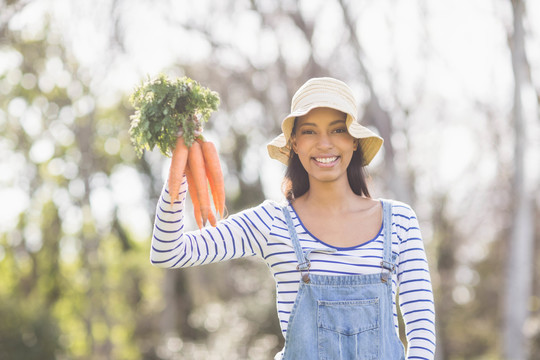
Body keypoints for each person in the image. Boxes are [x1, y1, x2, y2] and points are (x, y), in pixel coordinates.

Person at [151, 77, 436, 359]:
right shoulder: (272, 222)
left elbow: (421, 331)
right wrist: (180, 170)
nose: (324, 144)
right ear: (295, 144)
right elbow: (168, 252)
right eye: (310, 132)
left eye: (337, 130)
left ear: (353, 142)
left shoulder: (399, 221)